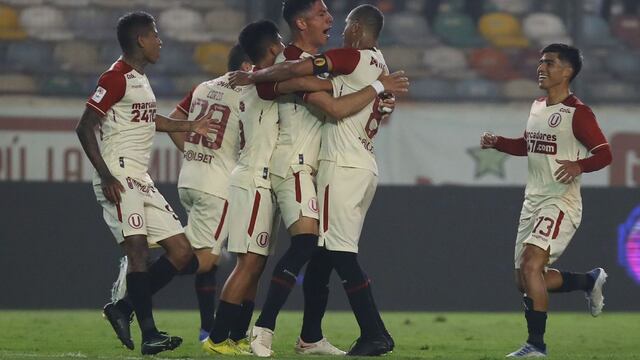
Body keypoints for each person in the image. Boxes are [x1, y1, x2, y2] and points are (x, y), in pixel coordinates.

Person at [204, 19, 408, 356]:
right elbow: (324, 100)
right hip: (290, 167)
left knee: (311, 253)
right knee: (297, 248)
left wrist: (374, 94)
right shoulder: (354, 64)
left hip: (306, 167)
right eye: (323, 13)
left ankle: (304, 335)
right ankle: (254, 330)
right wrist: (376, 90)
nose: (332, 22)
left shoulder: (347, 66)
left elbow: (322, 89)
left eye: (338, 19)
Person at [75, 11, 212, 355]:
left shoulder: (139, 78)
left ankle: (122, 309)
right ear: (140, 39)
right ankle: (150, 335)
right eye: (155, 35)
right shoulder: (116, 76)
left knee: (182, 252)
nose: (160, 40)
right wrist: (106, 175)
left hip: (142, 178)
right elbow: (85, 125)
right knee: (137, 252)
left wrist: (189, 126)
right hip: (119, 175)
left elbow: (151, 119)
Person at [105, 44, 255, 347]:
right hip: (218, 184)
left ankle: (204, 325)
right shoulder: (249, 93)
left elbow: (174, 118)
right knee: (204, 260)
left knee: (196, 254)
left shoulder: (204, 87)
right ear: (249, 66)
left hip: (190, 177)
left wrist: (194, 153)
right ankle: (131, 290)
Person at [480, 43, 612, 358]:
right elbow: (529, 145)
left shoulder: (578, 113)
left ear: (567, 71)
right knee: (524, 280)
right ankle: (587, 281)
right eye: (540, 62)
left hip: (561, 201)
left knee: (530, 265)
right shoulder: (538, 106)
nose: (541, 67)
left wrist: (579, 165)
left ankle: (536, 345)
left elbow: (605, 154)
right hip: (533, 202)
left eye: (549, 63)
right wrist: (499, 143)